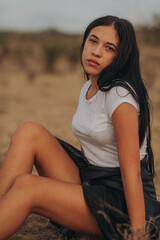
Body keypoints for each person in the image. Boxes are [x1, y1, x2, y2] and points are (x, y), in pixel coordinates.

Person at [0, 15, 159, 240]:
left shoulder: (120, 97)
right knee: (29, 131)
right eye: (93, 41)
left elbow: (131, 173)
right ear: (84, 43)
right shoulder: (90, 86)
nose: (96, 51)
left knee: (28, 186)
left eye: (109, 47)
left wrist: (138, 233)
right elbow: (92, 146)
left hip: (119, 202)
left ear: (121, 57)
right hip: (92, 179)